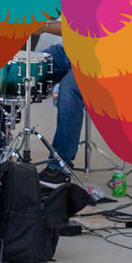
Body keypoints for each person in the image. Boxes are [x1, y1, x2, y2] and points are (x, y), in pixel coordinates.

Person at [36, 18, 85, 187]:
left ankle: (60, 168)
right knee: (17, 68)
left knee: (69, 89)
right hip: (68, 51)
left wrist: (43, 27)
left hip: (99, 56)